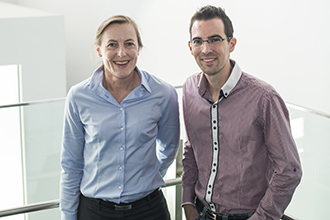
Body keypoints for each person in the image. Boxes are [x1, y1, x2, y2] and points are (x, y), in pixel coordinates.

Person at [181, 5, 302, 220]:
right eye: (198, 41)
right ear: (190, 46)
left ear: (231, 43)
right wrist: (187, 202)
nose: (206, 49)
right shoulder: (189, 90)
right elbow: (191, 147)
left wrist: (261, 217)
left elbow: (289, 170)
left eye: (215, 39)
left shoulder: (264, 98)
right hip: (202, 213)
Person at [60, 15, 180, 220]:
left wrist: (147, 177)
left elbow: (169, 147)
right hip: (94, 212)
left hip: (149, 211)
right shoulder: (78, 96)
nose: (121, 53)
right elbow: (71, 163)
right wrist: (68, 216)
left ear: (138, 49)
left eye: (129, 44)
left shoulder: (164, 94)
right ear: (99, 50)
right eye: (112, 45)